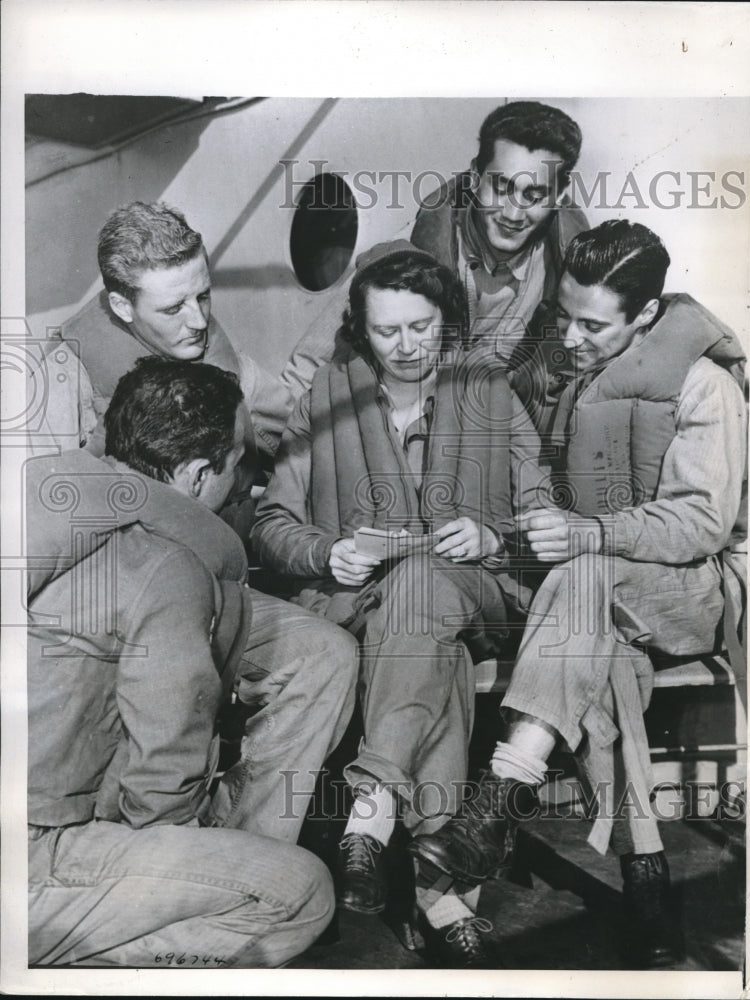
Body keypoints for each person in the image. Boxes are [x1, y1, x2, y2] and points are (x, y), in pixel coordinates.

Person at [406, 220, 748, 968]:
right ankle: (648, 883)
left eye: (590, 324)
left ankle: (498, 798)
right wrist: (503, 538)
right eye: (561, 315)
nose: (567, 336)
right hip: (597, 604)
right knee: (606, 667)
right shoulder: (573, 381)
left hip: (690, 596)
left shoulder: (705, 386)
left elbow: (699, 524)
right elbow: (553, 515)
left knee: (585, 579)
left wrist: (586, 534)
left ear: (646, 316)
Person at [252, 240, 550, 966]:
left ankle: (372, 802)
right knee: (425, 645)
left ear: (447, 323)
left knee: (421, 594)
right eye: (387, 330)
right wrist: (328, 553)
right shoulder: (325, 397)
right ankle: (437, 890)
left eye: (422, 327)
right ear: (359, 327)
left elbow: (542, 515)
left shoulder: (489, 389)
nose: (407, 345)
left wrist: (491, 533)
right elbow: (268, 524)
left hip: (478, 594)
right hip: (376, 606)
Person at [27, 358, 359, 967]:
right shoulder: (165, 568)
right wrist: (196, 869)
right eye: (238, 466)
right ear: (197, 473)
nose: (243, 484)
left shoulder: (38, 503)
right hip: (31, 864)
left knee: (319, 649)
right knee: (302, 894)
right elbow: (161, 783)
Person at [280, 101, 590, 397]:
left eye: (534, 195)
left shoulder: (570, 272)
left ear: (559, 197)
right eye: (500, 187)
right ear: (474, 177)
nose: (512, 214)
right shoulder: (409, 254)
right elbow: (309, 368)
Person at [42, 201, 295, 535]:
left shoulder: (212, 349)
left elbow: (298, 435)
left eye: (203, 296)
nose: (199, 320)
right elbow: (45, 512)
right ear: (122, 306)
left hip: (234, 546)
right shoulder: (66, 375)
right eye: (173, 308)